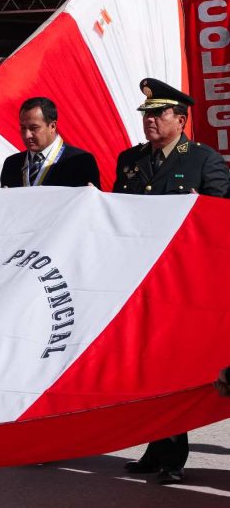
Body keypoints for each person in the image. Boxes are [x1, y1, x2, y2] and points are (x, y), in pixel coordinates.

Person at [115, 77, 229, 485]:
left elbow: (217, 222)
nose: (148, 120)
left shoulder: (203, 161)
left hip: (181, 282)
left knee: (174, 367)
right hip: (141, 281)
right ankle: (154, 446)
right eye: (145, 113)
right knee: (145, 367)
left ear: (180, 119)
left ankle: (175, 455)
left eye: (156, 113)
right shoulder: (130, 160)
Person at [0, 97, 101, 188]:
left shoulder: (81, 162)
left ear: (52, 126)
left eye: (34, 128)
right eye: (23, 128)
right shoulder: (11, 164)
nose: (27, 135)